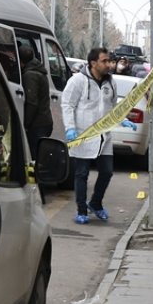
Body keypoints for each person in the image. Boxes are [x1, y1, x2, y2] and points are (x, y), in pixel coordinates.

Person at [62, 47, 137, 224]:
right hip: (83, 134)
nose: (108, 64)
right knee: (81, 174)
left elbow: (113, 106)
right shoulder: (78, 81)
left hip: (104, 136)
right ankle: (81, 210)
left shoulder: (110, 82)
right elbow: (67, 105)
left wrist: (122, 119)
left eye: (109, 60)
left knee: (107, 172)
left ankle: (95, 203)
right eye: (104, 61)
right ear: (93, 63)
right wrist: (70, 128)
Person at [20, 45, 52, 157]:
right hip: (44, 121)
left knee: (35, 157)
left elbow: (32, 103)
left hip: (37, 124)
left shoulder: (30, 75)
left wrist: (25, 124)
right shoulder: (38, 70)